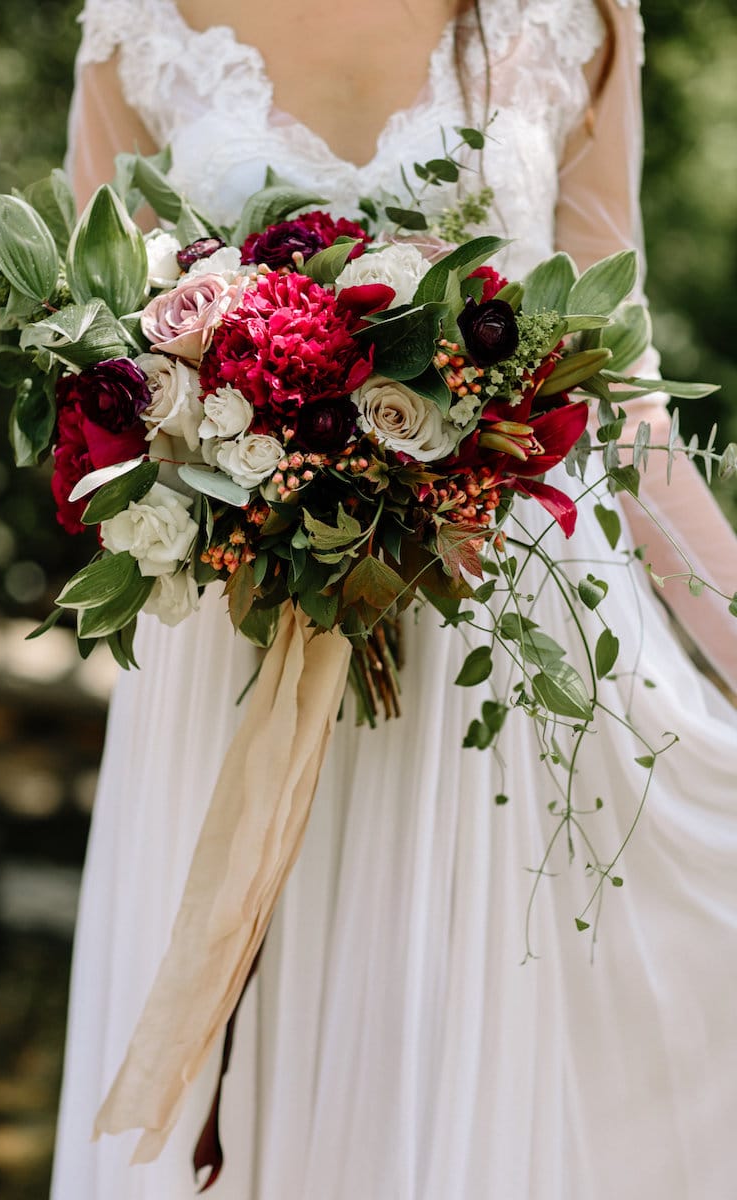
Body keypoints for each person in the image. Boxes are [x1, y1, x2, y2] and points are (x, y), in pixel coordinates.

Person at [50, 1, 737, 1197]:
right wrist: (236, 448)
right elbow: (89, 362)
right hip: (242, 628)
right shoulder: (137, 26)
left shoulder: (572, 16)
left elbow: (616, 380)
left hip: (503, 622)